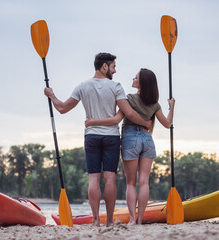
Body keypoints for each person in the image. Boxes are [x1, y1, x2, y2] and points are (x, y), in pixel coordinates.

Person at [44, 53, 151, 227]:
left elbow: (62, 108)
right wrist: (146, 123)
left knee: (93, 179)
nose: (115, 71)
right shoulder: (116, 86)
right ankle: (108, 221)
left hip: (91, 136)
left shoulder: (82, 86)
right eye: (113, 67)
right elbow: (129, 113)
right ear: (104, 66)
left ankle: (95, 220)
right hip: (112, 137)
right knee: (109, 178)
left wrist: (52, 95)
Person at [85, 68, 175, 225]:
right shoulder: (155, 104)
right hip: (147, 140)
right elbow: (167, 124)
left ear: (142, 83)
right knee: (144, 182)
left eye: (136, 77)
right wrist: (172, 106)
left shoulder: (129, 99)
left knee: (131, 183)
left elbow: (116, 119)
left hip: (130, 139)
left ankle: (133, 219)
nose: (133, 78)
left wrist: (93, 121)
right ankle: (140, 220)